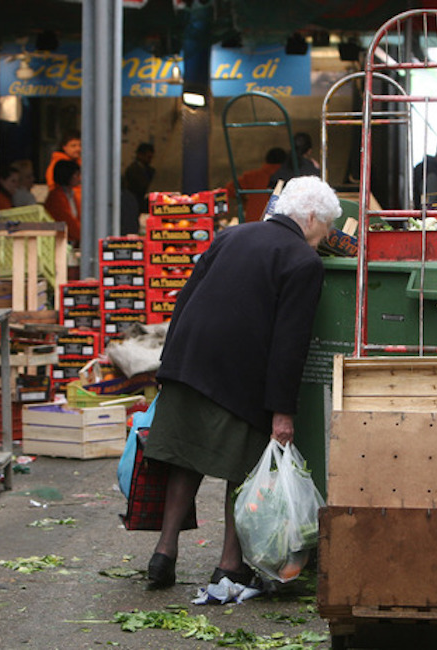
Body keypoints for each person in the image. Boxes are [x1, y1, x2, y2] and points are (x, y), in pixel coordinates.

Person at [142, 175, 341, 590]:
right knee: (245, 469)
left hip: (188, 362)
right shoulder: (304, 262)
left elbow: (185, 298)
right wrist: (282, 412)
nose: (325, 239)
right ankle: (230, 565)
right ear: (309, 217)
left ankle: (164, 553)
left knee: (185, 458)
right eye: (326, 229)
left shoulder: (232, 235)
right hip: (239, 376)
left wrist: (168, 366)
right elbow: (290, 343)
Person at [224, 147, 286, 222]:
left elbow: (229, 189)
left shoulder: (253, 177)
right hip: (277, 223)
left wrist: (245, 202)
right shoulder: (289, 178)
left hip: (253, 222)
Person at [43, 159, 81, 245]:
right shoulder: (56, 197)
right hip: (59, 241)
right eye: (76, 174)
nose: (79, 178)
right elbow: (68, 223)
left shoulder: (70, 194)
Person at [45, 130, 82, 203]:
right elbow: (52, 187)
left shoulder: (80, 162)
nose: (78, 149)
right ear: (64, 147)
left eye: (80, 145)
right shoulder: (58, 165)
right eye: (73, 146)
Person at [124, 142, 156, 214]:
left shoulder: (150, 170)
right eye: (148, 157)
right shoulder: (133, 170)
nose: (150, 160)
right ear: (140, 155)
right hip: (136, 203)